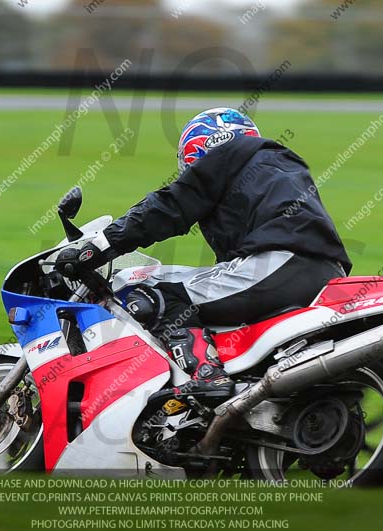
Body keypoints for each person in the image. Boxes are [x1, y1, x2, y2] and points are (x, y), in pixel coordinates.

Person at [58, 108, 351, 398]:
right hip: (326, 271)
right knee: (202, 295)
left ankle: (207, 376)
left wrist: (101, 245)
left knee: (154, 295)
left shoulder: (226, 159)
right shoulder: (278, 163)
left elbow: (167, 208)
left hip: (278, 265)